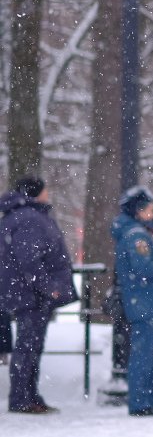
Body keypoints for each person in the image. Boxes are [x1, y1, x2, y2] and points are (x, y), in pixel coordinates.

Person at [0, 176, 75, 414]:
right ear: (36, 193)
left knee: (29, 345)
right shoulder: (31, 219)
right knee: (29, 346)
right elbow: (29, 260)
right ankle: (23, 397)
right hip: (31, 295)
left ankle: (27, 396)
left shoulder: (21, 217)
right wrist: (47, 286)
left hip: (25, 292)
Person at [112, 188, 153, 415]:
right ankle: (142, 402)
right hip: (144, 301)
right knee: (146, 354)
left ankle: (151, 401)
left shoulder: (134, 232)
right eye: (148, 208)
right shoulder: (137, 235)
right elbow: (142, 267)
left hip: (145, 301)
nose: (152, 212)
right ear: (138, 211)